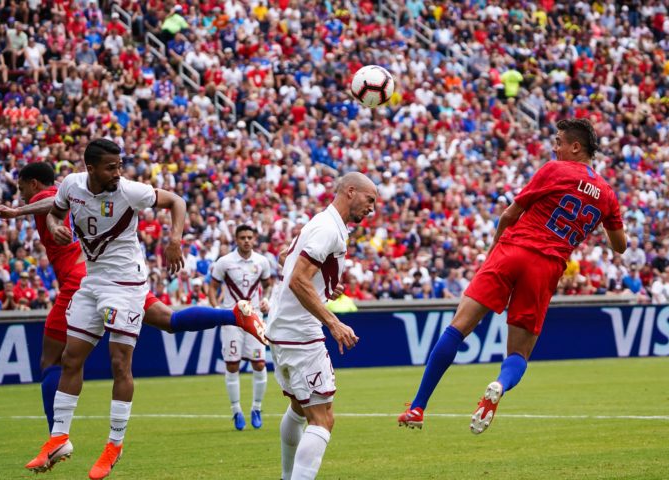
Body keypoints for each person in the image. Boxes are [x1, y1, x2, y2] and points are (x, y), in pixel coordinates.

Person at [0, 143, 259, 479]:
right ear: (90, 168)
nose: (117, 173)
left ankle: (114, 444)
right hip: (92, 282)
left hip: (126, 285)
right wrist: (55, 225)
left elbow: (176, 200)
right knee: (71, 358)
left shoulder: (130, 190)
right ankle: (58, 438)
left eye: (119, 166)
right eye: (111, 167)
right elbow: (56, 209)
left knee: (119, 363)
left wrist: (175, 239)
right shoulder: (72, 185)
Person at [397, 119, 627, 434]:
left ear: (576, 147)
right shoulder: (607, 195)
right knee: (519, 354)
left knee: (457, 328)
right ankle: (500, 384)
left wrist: (493, 252)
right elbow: (620, 246)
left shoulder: (555, 170)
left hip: (513, 250)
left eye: (559, 142)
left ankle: (418, 407)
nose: (555, 148)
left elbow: (509, 214)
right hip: (546, 267)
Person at [267, 172, 376, 480]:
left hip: (282, 330)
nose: (372, 208)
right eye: (370, 200)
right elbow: (297, 279)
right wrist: (333, 322)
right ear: (351, 191)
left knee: (299, 409)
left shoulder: (323, 223)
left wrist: (326, 286)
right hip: (300, 332)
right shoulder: (328, 228)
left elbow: (289, 261)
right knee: (323, 418)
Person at [209, 224, 272, 430]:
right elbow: (212, 287)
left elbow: (268, 285)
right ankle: (236, 411)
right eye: (242, 237)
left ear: (254, 239)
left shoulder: (262, 261)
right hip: (231, 318)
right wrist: (216, 310)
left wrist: (266, 300)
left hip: (254, 317)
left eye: (249, 237)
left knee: (259, 364)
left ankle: (257, 408)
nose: (246, 241)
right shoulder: (224, 262)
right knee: (232, 365)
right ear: (236, 240)